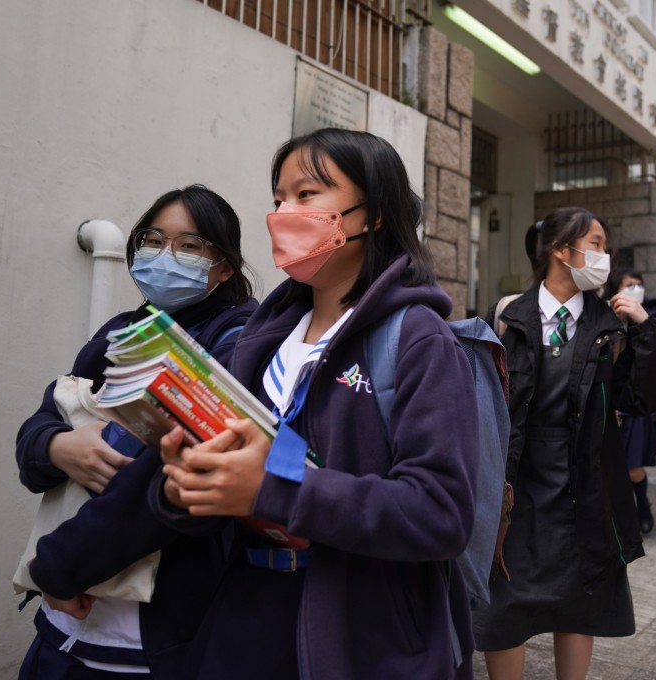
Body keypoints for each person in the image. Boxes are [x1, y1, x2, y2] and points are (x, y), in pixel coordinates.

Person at [152, 129, 481, 678]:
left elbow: (441, 512)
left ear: (371, 213)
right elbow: (240, 478)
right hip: (244, 621)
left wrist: (274, 488)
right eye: (279, 197)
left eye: (307, 195)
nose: (284, 213)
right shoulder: (261, 341)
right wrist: (184, 485)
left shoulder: (419, 340)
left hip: (362, 638)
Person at [15, 185, 258, 679]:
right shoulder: (119, 332)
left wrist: (61, 568)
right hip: (63, 630)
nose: (164, 255)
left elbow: (172, 474)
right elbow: (38, 427)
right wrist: (58, 446)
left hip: (153, 634)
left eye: (189, 246)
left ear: (225, 267)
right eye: (152, 240)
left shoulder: (238, 343)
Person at [474, 208, 656, 680]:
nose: (605, 255)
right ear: (562, 251)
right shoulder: (506, 316)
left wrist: (644, 329)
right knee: (505, 602)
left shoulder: (612, 325)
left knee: (580, 601)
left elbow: (642, 398)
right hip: (515, 483)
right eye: (596, 244)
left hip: (584, 484)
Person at [603, 268, 656, 535]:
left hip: (632, 410)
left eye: (639, 285)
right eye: (629, 285)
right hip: (608, 408)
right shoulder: (603, 318)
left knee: (634, 466)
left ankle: (643, 508)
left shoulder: (650, 319)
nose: (635, 289)